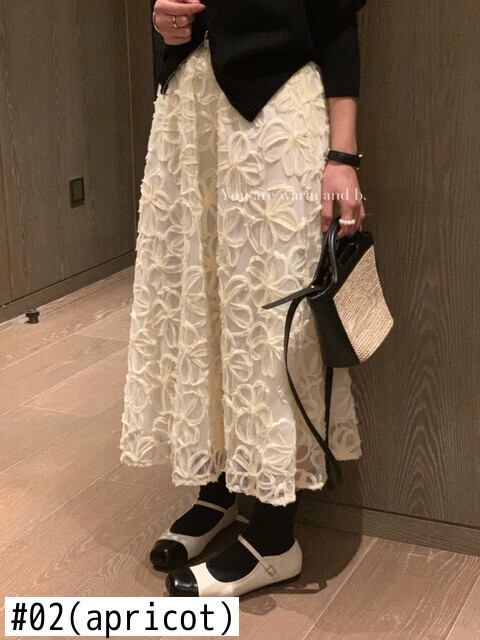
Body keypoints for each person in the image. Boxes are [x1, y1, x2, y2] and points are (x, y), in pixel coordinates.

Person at [119, 0, 367, 598]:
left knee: (268, 314)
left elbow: (336, 19)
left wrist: (342, 156)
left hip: (274, 111)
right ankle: (219, 488)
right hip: (188, 112)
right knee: (196, 301)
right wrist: (162, 18)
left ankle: (275, 537)